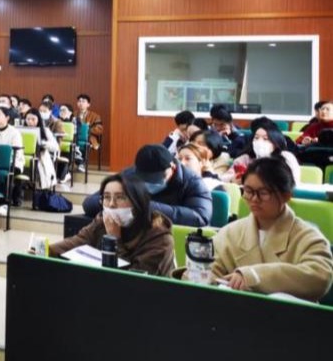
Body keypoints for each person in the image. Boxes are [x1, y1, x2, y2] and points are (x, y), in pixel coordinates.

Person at [208, 158, 333, 302]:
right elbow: (209, 272)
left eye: (263, 192)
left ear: (286, 196)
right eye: (248, 191)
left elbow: (320, 277)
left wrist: (253, 276)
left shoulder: (308, 237)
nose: (254, 199)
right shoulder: (229, 233)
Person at [49, 172, 176, 277]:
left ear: (138, 202)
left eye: (120, 197)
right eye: (106, 197)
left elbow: (133, 282)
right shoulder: (101, 222)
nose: (111, 204)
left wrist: (115, 239)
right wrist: (44, 250)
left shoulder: (160, 239)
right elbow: (74, 243)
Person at [83, 144, 212, 227]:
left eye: (157, 178)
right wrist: (113, 202)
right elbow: (89, 203)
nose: (151, 183)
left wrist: (144, 206)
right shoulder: (129, 175)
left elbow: (200, 217)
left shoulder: (192, 182)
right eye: (146, 179)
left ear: (172, 167)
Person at [221, 125, 302, 184]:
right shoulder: (245, 158)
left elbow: (294, 182)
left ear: (276, 142)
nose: (259, 142)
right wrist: (232, 179)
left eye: (265, 139)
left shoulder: (286, 157)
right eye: (256, 138)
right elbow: (223, 178)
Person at [0, 106, 25, 204]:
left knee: (8, 174)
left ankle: (4, 202)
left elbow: (17, 152)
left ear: (7, 118)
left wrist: (8, 162)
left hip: (12, 162)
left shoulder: (14, 132)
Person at [23, 111, 59, 191]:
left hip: (40, 158)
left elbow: (55, 146)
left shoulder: (45, 130)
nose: (30, 122)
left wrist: (43, 143)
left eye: (33, 119)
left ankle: (35, 187)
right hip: (24, 158)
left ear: (38, 120)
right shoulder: (21, 130)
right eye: (28, 119)